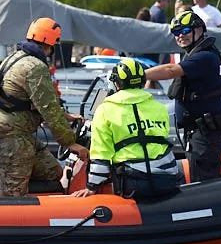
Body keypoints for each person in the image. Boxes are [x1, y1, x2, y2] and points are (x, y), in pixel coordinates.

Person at [0, 17, 87, 196]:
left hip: (12, 130)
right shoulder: (36, 67)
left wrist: (66, 116)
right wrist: (71, 143)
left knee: (53, 172)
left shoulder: (15, 57)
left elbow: (33, 101)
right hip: (14, 136)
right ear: (51, 44)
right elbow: (49, 110)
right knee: (14, 196)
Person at [74, 58, 180, 200]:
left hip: (134, 184)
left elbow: (101, 154)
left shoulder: (104, 110)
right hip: (167, 179)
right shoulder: (159, 107)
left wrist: (92, 187)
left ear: (116, 83)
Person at [145, 8, 221, 182]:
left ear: (199, 30)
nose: (180, 36)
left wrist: (138, 74)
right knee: (197, 174)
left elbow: (170, 71)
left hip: (206, 133)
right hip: (198, 131)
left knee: (204, 181)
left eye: (184, 31)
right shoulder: (196, 54)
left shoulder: (205, 57)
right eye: (176, 32)